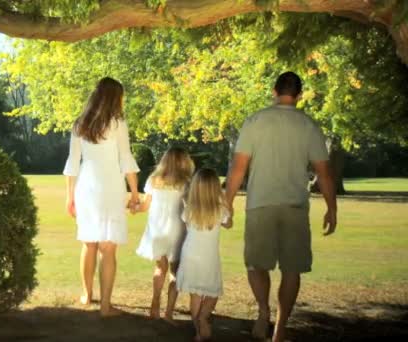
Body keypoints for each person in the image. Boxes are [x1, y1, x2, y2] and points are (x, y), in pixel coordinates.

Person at [225, 71, 338, 342]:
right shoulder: (309, 125)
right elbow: (324, 173)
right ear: (299, 96)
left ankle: (263, 312)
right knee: (291, 269)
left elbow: (238, 169)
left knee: (256, 264)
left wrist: (226, 204)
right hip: (295, 206)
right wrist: (332, 208)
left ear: (274, 91)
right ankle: (280, 327)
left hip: (260, 203)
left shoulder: (255, 122)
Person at [63, 77, 140, 317]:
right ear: (115, 98)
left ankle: (87, 295)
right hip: (110, 188)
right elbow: (126, 158)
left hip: (85, 188)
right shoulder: (118, 123)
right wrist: (135, 192)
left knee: (89, 243)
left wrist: (69, 196)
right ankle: (105, 306)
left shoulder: (80, 124)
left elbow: (72, 163)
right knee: (108, 249)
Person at [135, 147, 195, 323]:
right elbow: (191, 207)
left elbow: (144, 206)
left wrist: (133, 208)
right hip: (177, 229)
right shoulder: (186, 182)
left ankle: (155, 304)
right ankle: (169, 312)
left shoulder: (154, 180)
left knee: (160, 267)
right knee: (175, 271)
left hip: (157, 229)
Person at [176, 168, 232, 341]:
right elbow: (229, 224)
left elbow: (186, 224)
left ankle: (198, 331)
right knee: (213, 291)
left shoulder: (189, 210)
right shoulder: (220, 210)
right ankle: (203, 317)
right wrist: (226, 203)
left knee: (195, 294)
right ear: (215, 188)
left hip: (190, 254)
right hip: (209, 257)